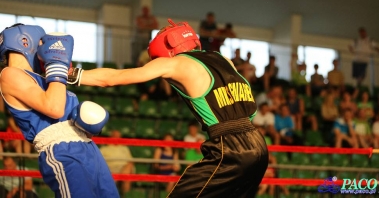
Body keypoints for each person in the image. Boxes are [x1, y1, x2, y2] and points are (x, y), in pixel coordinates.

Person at [68, 19, 269, 198]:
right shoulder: (222, 59)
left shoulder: (174, 64)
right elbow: (248, 107)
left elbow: (114, 78)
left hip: (230, 148)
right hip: (258, 144)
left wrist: (73, 74)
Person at [0, 24, 119, 198]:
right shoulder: (10, 74)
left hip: (87, 148)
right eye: (41, 41)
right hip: (62, 151)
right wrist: (57, 64)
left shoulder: (48, 76)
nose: (43, 46)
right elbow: (54, 109)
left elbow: (106, 80)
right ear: (25, 40)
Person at [100, 129, 134, 196]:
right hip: (109, 168)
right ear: (111, 137)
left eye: (118, 136)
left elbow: (131, 161)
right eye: (115, 136)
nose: (117, 138)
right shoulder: (104, 149)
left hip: (123, 168)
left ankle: (125, 194)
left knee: (128, 168)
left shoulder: (125, 149)